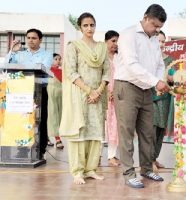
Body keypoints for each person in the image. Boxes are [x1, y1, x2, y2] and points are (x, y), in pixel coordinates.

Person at [113, 4, 169, 188]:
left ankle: (146, 169)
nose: (156, 30)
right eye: (154, 25)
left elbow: (160, 64)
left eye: (159, 27)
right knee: (127, 132)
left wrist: (159, 81)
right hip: (127, 87)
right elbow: (131, 65)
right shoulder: (128, 35)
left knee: (147, 132)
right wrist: (156, 81)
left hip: (147, 90)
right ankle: (129, 173)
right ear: (145, 18)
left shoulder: (153, 39)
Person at [59, 12, 109, 185]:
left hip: (97, 95)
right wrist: (89, 91)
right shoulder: (74, 46)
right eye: (86, 25)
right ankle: (78, 171)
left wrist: (98, 91)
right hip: (80, 95)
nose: (89, 28)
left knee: (95, 134)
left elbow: (107, 72)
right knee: (79, 133)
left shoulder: (102, 47)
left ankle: (90, 170)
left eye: (92, 25)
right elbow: (70, 72)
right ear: (80, 27)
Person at [5, 28, 52, 160]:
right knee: (23, 120)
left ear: (40, 40)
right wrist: (12, 51)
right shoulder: (19, 54)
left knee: (40, 120)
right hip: (23, 90)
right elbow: (6, 65)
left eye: (34, 38)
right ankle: (22, 149)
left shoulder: (47, 54)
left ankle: (40, 149)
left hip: (39, 90)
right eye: (29, 38)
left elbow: (44, 67)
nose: (31, 41)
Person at [151, 30, 173, 172]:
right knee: (151, 130)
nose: (161, 44)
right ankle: (149, 160)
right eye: (158, 41)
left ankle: (154, 158)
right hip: (151, 98)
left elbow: (172, 78)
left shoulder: (169, 60)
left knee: (160, 130)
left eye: (163, 41)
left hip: (165, 98)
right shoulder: (148, 59)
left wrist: (173, 78)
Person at [104, 30, 120, 167]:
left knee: (114, 126)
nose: (115, 44)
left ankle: (111, 156)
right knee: (100, 126)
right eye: (113, 41)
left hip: (117, 95)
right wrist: (104, 91)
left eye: (117, 41)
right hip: (101, 94)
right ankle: (94, 157)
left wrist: (115, 91)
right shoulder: (100, 57)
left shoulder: (120, 58)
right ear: (106, 41)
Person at [47, 53, 64, 149]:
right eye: (56, 59)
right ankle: (55, 139)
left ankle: (56, 137)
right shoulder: (47, 71)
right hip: (50, 98)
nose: (58, 61)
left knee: (59, 117)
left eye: (59, 59)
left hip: (60, 97)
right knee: (51, 116)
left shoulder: (62, 71)